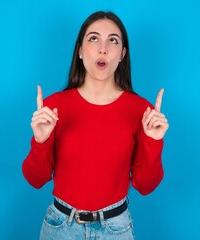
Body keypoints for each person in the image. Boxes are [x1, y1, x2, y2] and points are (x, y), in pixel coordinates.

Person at [22, 11, 169, 240]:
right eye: (93, 38)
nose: (103, 49)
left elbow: (145, 186)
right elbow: (35, 179)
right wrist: (40, 141)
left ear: (122, 54)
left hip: (116, 230)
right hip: (60, 228)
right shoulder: (53, 107)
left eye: (113, 40)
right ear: (80, 51)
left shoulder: (142, 112)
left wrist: (153, 141)